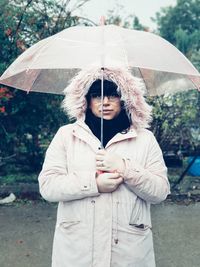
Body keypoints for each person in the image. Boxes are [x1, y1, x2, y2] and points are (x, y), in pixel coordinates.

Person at [38, 68, 170, 267]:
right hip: (77, 253)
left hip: (129, 254)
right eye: (97, 95)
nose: (105, 102)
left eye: (113, 94)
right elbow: (48, 186)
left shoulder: (144, 139)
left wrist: (125, 168)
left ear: (125, 98)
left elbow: (160, 192)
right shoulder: (67, 135)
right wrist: (93, 183)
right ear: (86, 100)